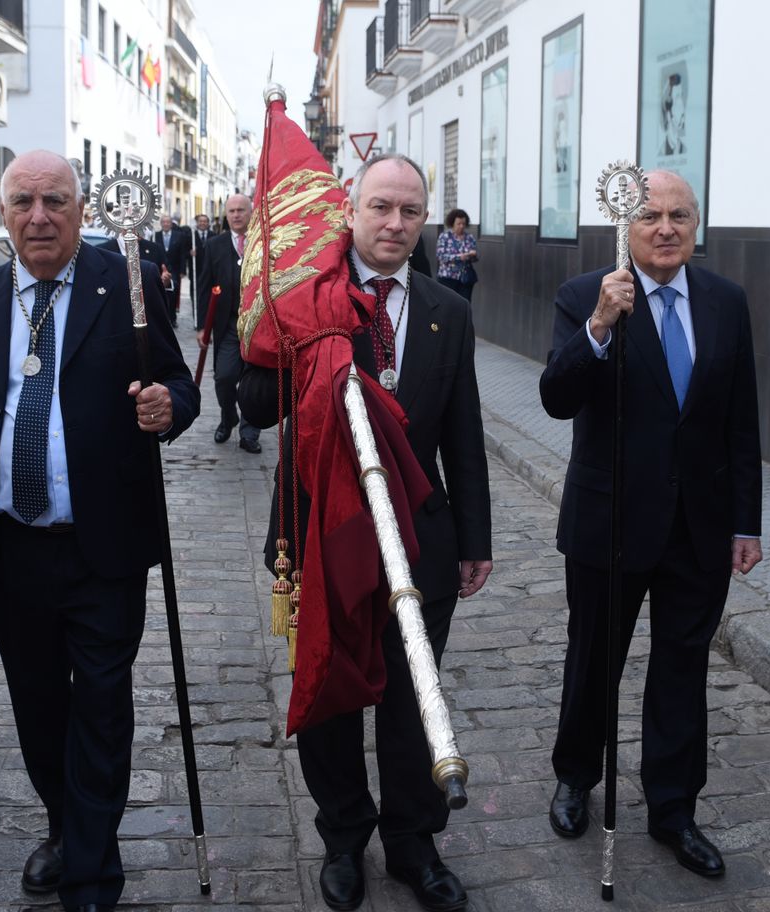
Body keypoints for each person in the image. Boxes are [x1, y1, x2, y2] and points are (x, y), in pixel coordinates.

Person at [0, 150, 198, 912]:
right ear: (4, 208)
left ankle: (90, 868)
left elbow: (179, 385)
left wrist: (168, 408)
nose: (39, 215)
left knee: (103, 706)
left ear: (82, 208)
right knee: (39, 707)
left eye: (55, 199)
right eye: (23, 201)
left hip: (104, 546)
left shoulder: (127, 285)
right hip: (13, 549)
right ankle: (65, 825)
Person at [240, 153, 492, 912]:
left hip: (420, 542)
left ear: (425, 222)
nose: (394, 224)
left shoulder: (449, 309)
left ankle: (414, 844)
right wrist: (289, 343)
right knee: (331, 692)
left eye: (410, 212)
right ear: (351, 210)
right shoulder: (308, 295)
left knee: (416, 700)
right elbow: (252, 405)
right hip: (321, 533)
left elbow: (464, 433)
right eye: (381, 207)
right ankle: (344, 839)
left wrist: (474, 538)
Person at [539, 170, 763, 879]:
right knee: (593, 659)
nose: (665, 228)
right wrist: (601, 326)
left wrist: (746, 522)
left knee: (681, 669)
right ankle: (576, 775)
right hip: (610, 522)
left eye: (679, 216)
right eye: (651, 217)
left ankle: (674, 808)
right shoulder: (587, 296)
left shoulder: (726, 302)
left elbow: (741, 421)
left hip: (697, 526)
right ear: (625, 226)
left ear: (696, 225)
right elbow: (553, 396)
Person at [196, 193, 261, 452]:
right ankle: (228, 417)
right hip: (227, 326)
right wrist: (203, 326)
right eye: (231, 211)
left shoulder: (263, 242)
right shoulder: (214, 245)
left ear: (250, 213)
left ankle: (249, 433)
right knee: (224, 377)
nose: (236, 215)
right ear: (226, 214)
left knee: (252, 382)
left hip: (257, 326)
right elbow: (203, 286)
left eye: (241, 210)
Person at [434, 209, 478, 302]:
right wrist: (459, 257)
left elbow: (474, 258)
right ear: (452, 223)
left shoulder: (469, 237)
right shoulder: (444, 237)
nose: (461, 226)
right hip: (447, 278)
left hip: (465, 278)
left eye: (463, 224)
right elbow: (440, 256)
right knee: (447, 304)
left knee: (464, 305)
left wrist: (472, 255)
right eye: (458, 224)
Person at [189, 213, 213, 324]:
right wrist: (190, 253)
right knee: (196, 296)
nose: (202, 223)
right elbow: (183, 252)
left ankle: (209, 320)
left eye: (205, 221)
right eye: (200, 221)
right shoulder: (191, 236)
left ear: (208, 223)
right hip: (196, 272)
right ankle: (197, 320)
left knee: (209, 297)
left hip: (210, 272)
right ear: (197, 223)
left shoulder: (213, 235)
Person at [661, 72, 687, 155]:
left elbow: (678, 123)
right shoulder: (671, 97)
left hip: (675, 140)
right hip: (670, 136)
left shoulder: (678, 100)